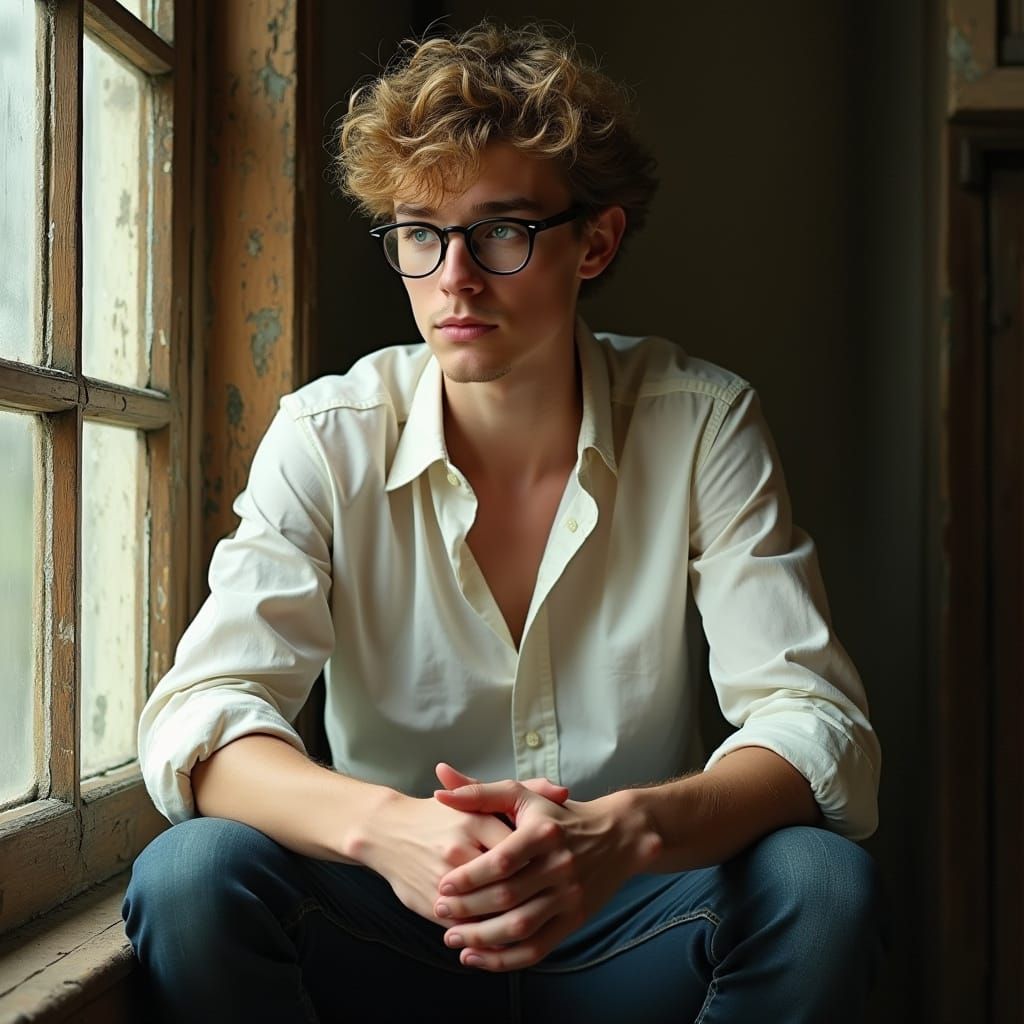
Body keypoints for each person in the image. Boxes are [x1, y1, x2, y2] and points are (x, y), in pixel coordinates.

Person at [123, 20, 886, 1023]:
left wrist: (621, 836)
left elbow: (816, 725)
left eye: (501, 230)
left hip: (627, 923)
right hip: (395, 920)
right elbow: (201, 716)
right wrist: (386, 828)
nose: (454, 278)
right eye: (419, 233)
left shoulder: (701, 422)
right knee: (191, 873)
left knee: (819, 884)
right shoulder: (328, 434)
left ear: (594, 242)